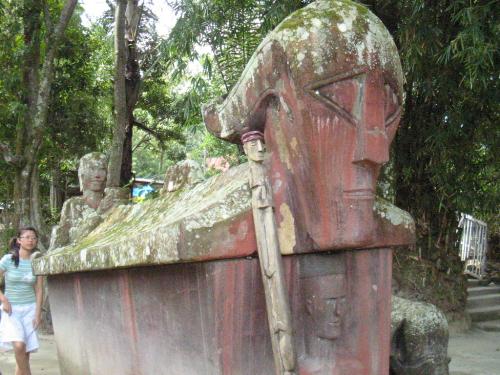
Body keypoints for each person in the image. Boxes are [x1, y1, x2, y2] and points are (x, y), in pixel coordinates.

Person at [0, 227, 43, 375]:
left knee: (25, 354)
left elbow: (39, 290)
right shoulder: (8, 260)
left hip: (30, 309)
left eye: (34, 237)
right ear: (19, 240)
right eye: (27, 237)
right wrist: (3, 299)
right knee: (19, 346)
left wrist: (38, 313)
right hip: (12, 310)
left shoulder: (37, 261)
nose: (31, 240)